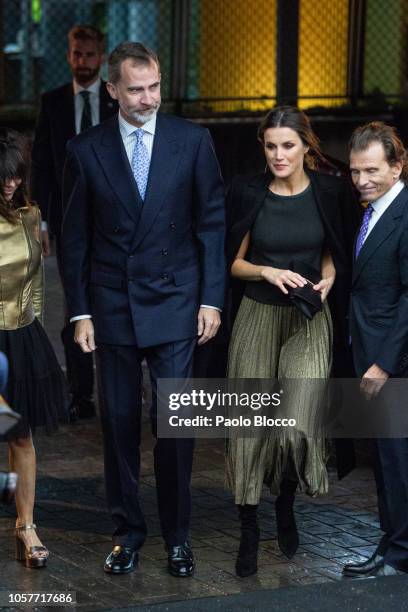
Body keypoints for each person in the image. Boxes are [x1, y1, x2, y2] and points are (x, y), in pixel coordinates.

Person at [61, 41, 225, 576]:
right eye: (136, 89)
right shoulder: (85, 150)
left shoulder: (192, 140)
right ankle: (127, 532)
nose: (148, 98)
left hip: (178, 301)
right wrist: (80, 311)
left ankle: (178, 536)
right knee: (120, 423)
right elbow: (75, 240)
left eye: (154, 86)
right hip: (111, 305)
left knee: (175, 423)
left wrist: (209, 299)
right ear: (111, 90)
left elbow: (211, 225)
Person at [225, 106, 358, 577]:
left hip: (309, 318)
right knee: (249, 425)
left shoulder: (330, 191)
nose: (279, 155)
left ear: (306, 146)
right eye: (270, 146)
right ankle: (247, 525)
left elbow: (333, 250)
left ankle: (283, 500)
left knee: (295, 422)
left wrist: (328, 277)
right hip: (257, 314)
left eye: (287, 145)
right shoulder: (247, 190)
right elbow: (234, 263)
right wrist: (266, 270)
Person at [31, 24, 118, 421]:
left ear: (101, 56)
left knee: (114, 303)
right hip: (68, 223)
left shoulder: (118, 98)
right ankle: (81, 395)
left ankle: (118, 389)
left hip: (115, 223)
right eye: (76, 54)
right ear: (68, 55)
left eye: (89, 54)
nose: (82, 61)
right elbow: (43, 165)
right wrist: (43, 222)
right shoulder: (52, 103)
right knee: (74, 307)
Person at [343, 122, 408, 578]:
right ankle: (392, 543)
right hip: (370, 351)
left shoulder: (405, 211)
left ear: (397, 166)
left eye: (371, 170)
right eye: (354, 171)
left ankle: (400, 553)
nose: (362, 180)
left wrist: (384, 364)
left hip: (392, 360)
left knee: (397, 460)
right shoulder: (372, 210)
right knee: (386, 460)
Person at [0, 128, 67, 568]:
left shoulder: (29, 215)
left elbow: (38, 281)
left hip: (21, 336)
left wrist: (36, 331)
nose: (11, 184)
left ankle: (26, 525)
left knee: (20, 434)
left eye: (16, 176)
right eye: (3, 177)